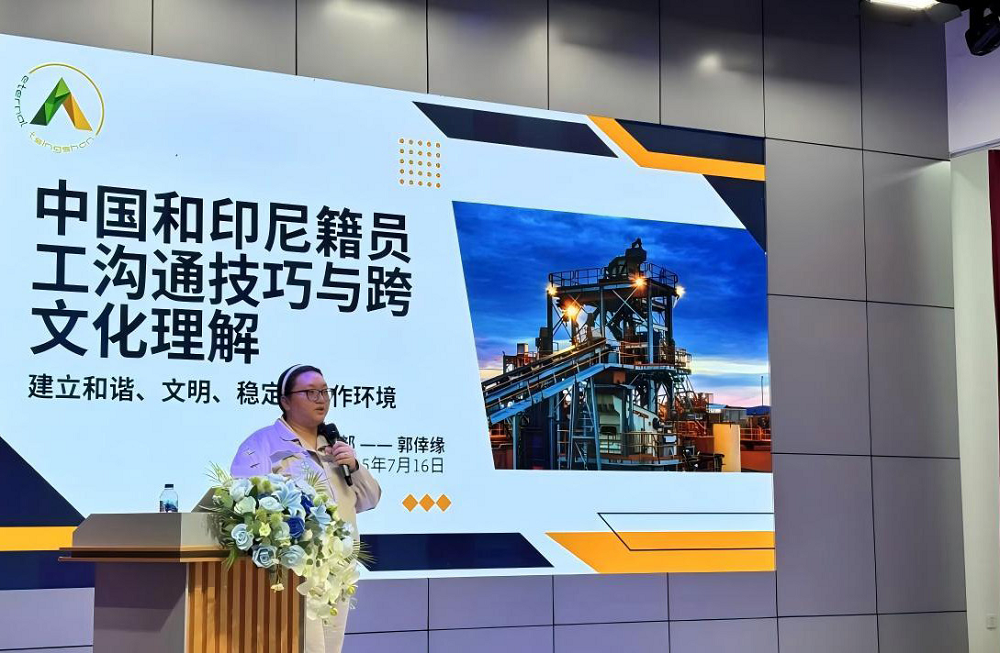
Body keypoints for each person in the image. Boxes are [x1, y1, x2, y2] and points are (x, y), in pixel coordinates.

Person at [230, 364, 381, 653]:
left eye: (324, 391)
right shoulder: (261, 444)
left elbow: (369, 499)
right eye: (310, 392)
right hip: (290, 576)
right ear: (285, 401)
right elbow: (243, 506)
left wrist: (354, 466)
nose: (321, 399)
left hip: (336, 573)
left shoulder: (334, 447)